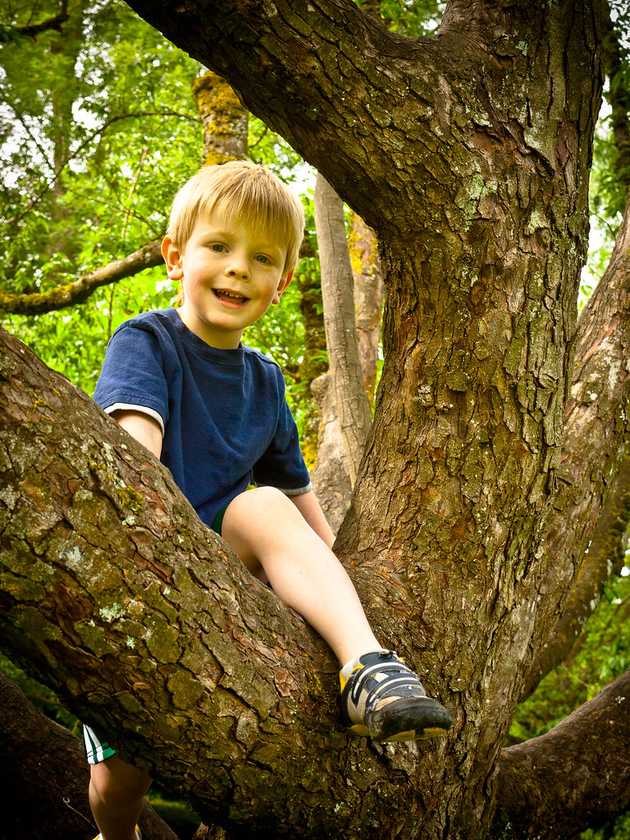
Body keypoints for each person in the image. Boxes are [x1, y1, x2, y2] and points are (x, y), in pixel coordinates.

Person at [87, 160, 452, 840]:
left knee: (260, 506)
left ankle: (368, 669)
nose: (238, 270)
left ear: (281, 284)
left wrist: (339, 579)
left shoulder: (264, 379)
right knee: (118, 784)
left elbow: (296, 497)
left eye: (261, 259)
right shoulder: (149, 341)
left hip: (229, 570)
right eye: (219, 248)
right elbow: (132, 454)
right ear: (175, 257)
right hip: (152, 559)